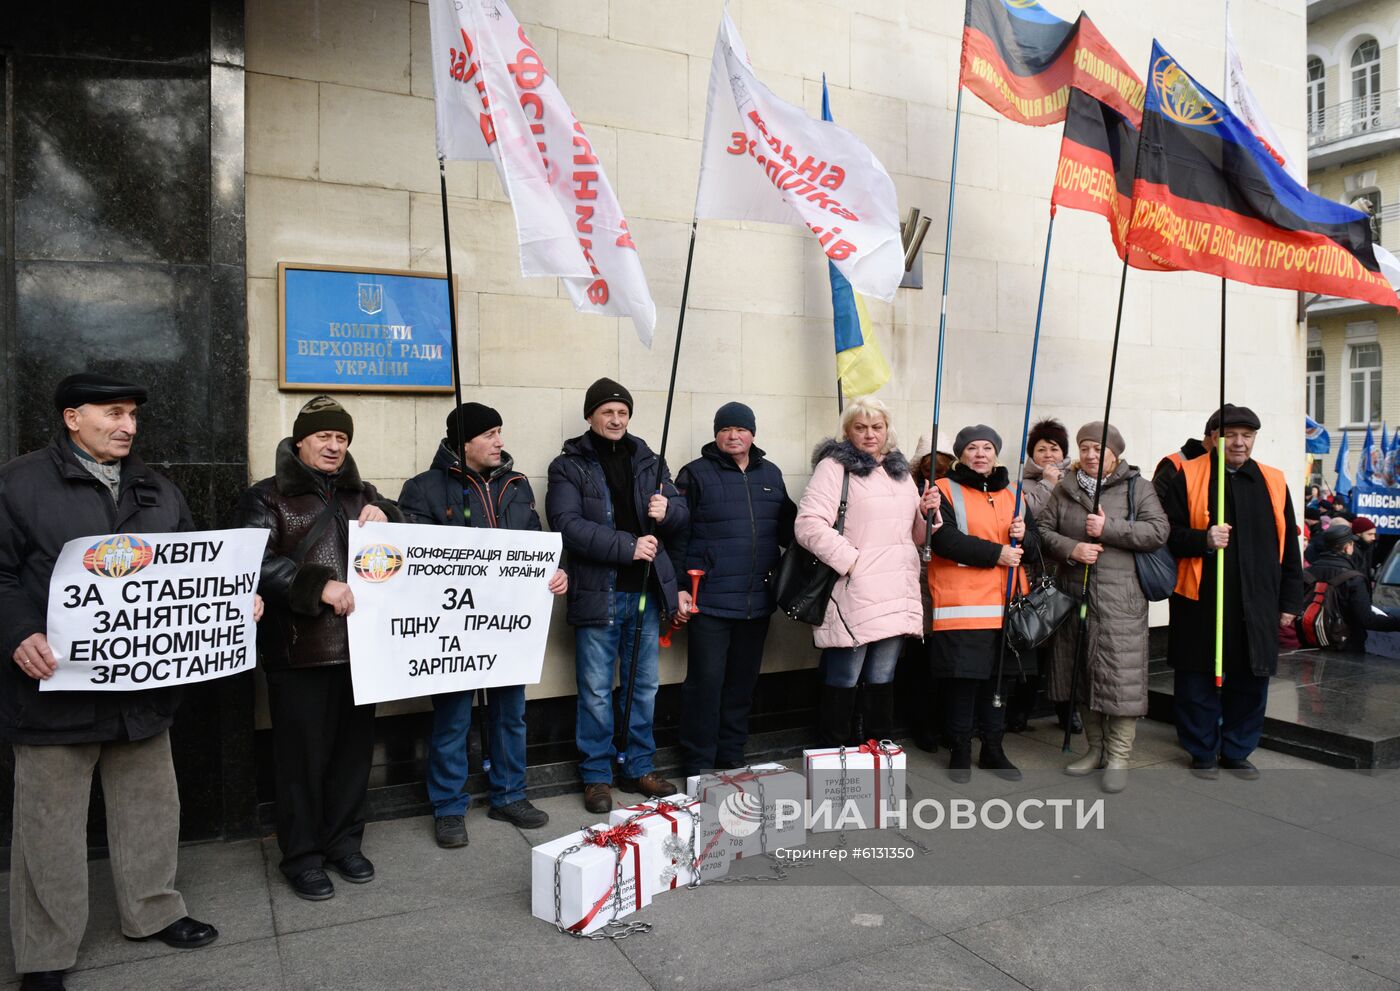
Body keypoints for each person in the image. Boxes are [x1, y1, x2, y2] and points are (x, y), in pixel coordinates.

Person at [0, 374, 223, 991]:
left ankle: (153, 912)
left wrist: (235, 600)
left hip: (141, 690)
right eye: (112, 413)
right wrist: (18, 632)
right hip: (53, 688)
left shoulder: (156, 488)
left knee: (151, 810)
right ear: (72, 417)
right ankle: (44, 953)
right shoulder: (20, 483)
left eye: (132, 416)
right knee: (48, 827)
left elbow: (194, 566)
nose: (127, 426)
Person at [235, 395, 401, 900]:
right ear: (301, 440)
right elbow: (249, 561)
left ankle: (344, 842)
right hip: (299, 651)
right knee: (300, 760)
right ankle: (302, 855)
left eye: (342, 438)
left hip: (361, 653)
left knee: (353, 755)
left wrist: (390, 514)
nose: (334, 446)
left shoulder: (363, 495)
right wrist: (316, 586)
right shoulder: (264, 498)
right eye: (324, 436)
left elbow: (406, 540)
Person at [398, 402, 568, 848]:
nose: (500, 442)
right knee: (453, 718)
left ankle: (509, 794)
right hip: (455, 627)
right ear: (464, 442)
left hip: (508, 627)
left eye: (500, 432)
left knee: (510, 714)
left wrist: (555, 570)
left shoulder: (516, 486)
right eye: (490, 433)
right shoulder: (424, 489)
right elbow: (414, 559)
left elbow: (534, 539)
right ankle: (449, 807)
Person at [546, 378, 686, 814]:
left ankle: (638, 766)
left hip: (644, 594)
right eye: (607, 411)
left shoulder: (650, 461)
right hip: (599, 593)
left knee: (642, 687)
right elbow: (567, 524)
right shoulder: (569, 465)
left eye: (623, 412)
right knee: (595, 690)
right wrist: (627, 546)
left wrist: (671, 510)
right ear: (591, 416)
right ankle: (596, 775)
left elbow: (682, 514)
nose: (616, 418)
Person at [1163, 404, 1302, 780]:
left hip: (1257, 599)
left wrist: (1290, 600)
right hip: (1201, 598)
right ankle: (1202, 751)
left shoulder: (1273, 480)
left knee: (1250, 679)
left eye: (1247, 435)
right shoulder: (1187, 475)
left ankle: (1238, 749)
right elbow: (1165, 534)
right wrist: (1203, 539)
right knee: (1196, 680)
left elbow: (1288, 544)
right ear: (1213, 438)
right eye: (1230, 435)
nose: (1239, 443)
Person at [796, 397, 936, 747]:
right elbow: (808, 524)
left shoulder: (899, 471)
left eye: (877, 427)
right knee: (845, 676)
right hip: (854, 590)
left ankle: (878, 763)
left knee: (883, 676)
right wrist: (852, 561)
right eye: (861, 427)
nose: (870, 434)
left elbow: (915, 537)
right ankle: (836, 762)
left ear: (887, 430)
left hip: (896, 590)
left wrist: (926, 513)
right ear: (848, 432)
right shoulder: (834, 467)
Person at [1037, 423, 1169, 792]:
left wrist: (1109, 528)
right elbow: (1043, 531)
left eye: (1098, 448)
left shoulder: (1136, 488)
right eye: (1085, 448)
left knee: (1120, 680)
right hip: (1074, 596)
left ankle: (1119, 756)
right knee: (1081, 674)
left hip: (1120, 602)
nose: (1091, 455)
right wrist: (1072, 548)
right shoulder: (1065, 489)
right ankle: (1094, 749)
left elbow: (1158, 531)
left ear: (1115, 453)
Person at [667, 402, 795, 776]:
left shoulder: (770, 473)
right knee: (704, 685)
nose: (733, 435)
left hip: (758, 601)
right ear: (716, 434)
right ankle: (697, 762)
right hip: (709, 601)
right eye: (725, 429)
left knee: (742, 685)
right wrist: (678, 588)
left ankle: (731, 755)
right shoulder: (695, 474)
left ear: (753, 433)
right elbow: (678, 535)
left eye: (740, 429)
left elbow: (791, 529)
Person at [926, 424, 1033, 783]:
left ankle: (993, 749)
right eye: (972, 447)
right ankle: (959, 749)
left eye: (987, 447)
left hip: (1008, 608)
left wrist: (1024, 538)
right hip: (963, 606)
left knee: (998, 683)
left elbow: (1032, 548)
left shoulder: (1014, 492)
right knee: (964, 682)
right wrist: (998, 553)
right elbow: (943, 540)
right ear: (960, 454)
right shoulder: (942, 489)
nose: (980, 454)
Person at [1006, 417, 1071, 733]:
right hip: (1035, 574)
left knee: (1064, 648)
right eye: (1041, 449)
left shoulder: (1078, 480)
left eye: (1054, 448)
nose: (1048, 454)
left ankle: (1066, 710)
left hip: (1068, 571)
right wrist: (1048, 483)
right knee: (1033, 640)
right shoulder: (1022, 485)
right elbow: (1026, 514)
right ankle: (1020, 710)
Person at [1304, 521, 1400, 653]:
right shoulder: (1354, 579)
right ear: (1347, 547)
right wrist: (1396, 623)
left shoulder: (1307, 573)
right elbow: (1366, 619)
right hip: (1345, 646)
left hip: (1308, 642)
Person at [1152, 428, 1211, 504]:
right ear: (1214, 437)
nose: (1231, 444)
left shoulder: (1224, 467)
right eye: (1229, 434)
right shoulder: (1173, 465)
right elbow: (1156, 508)